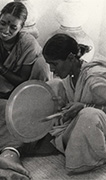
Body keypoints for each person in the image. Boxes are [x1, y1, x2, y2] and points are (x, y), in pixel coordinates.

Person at [42, 33, 106, 173]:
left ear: (71, 58)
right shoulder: (71, 77)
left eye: (54, 64)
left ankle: (92, 157)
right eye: (49, 64)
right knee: (53, 85)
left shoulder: (94, 77)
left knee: (88, 115)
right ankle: (73, 143)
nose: (52, 69)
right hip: (86, 124)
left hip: (98, 125)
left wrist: (84, 106)